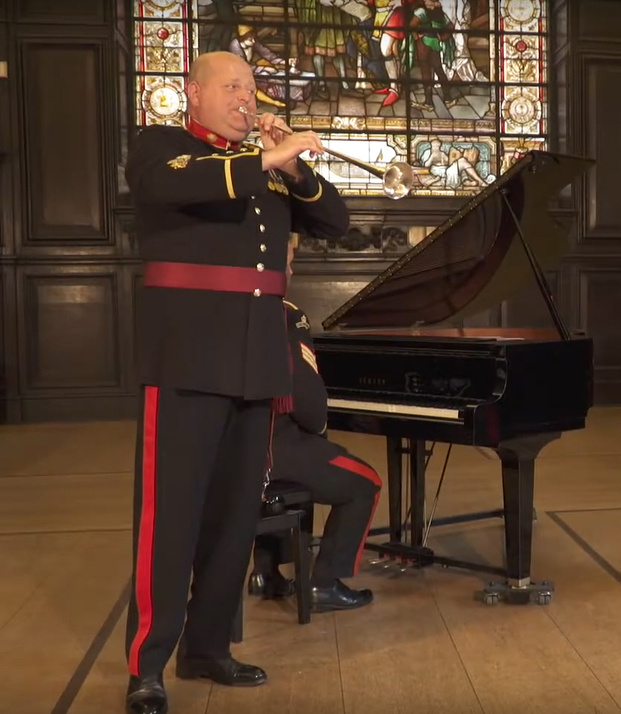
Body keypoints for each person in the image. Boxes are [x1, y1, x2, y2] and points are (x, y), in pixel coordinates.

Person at [123, 51, 350, 714]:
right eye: (231, 87)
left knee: (231, 521)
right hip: (187, 360)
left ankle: (209, 647)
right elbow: (178, 186)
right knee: (169, 519)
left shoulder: (269, 169)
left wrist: (294, 163)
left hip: (256, 365)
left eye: (251, 88)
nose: (246, 99)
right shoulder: (164, 147)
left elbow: (334, 221)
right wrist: (264, 161)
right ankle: (148, 665)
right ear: (192, 93)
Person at [247, 237, 382, 612]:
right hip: (277, 450)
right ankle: (325, 583)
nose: (291, 271)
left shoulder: (227, 313)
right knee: (365, 482)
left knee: (296, 476)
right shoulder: (286, 316)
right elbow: (311, 407)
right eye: (288, 263)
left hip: (235, 451)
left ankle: (266, 573)